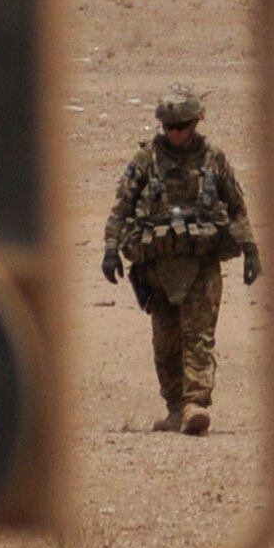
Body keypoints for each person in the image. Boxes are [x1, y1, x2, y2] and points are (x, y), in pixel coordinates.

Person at [100, 86, 261, 436]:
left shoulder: (213, 159)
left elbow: (237, 206)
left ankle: (195, 405)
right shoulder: (145, 162)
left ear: (196, 123)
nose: (176, 132)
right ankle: (175, 408)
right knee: (165, 342)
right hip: (157, 269)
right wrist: (111, 249)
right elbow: (121, 208)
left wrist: (250, 248)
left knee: (199, 338)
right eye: (169, 126)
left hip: (201, 265)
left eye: (182, 125)